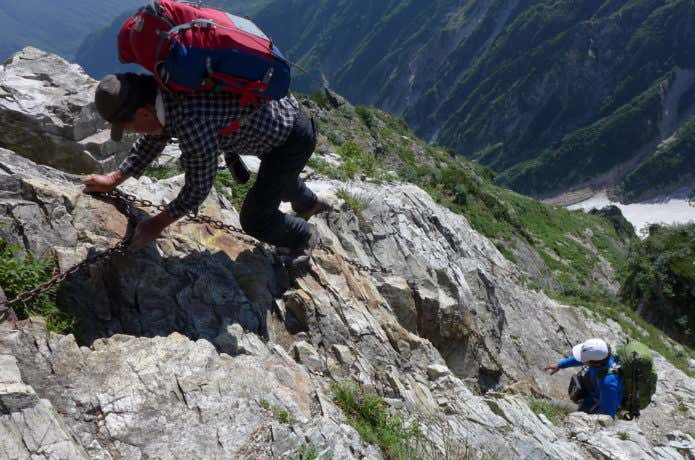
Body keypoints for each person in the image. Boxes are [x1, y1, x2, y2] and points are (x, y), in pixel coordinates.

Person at [83, 73, 330, 267]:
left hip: (289, 140)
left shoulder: (190, 119)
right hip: (277, 118)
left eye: (131, 127)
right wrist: (115, 178)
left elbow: (198, 187)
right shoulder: (163, 86)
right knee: (279, 179)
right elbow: (154, 136)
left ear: (144, 112)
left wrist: (156, 223)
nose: (134, 132)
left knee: (256, 219)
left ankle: (303, 235)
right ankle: (309, 204)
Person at [544, 338, 624, 419]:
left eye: (584, 359)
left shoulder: (608, 384)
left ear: (593, 363)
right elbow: (581, 359)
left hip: (597, 405)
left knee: (553, 404)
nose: (581, 359)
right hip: (593, 394)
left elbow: (607, 416)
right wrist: (560, 365)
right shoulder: (603, 358)